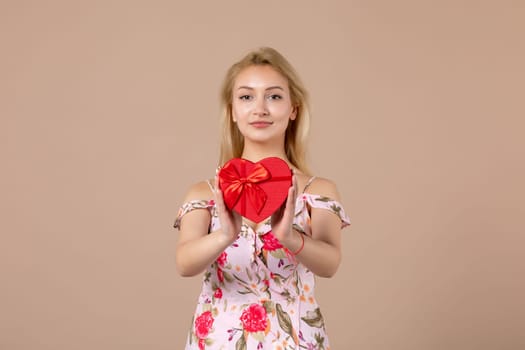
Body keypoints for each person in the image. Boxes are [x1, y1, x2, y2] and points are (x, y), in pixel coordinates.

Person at [174, 47, 351, 350]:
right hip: (218, 341)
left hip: (296, 339)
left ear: (293, 108)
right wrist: (224, 236)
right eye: (246, 97)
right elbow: (184, 264)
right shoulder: (205, 192)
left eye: (274, 96)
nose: (260, 109)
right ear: (231, 110)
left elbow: (330, 264)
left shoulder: (318, 191)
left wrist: (290, 237)